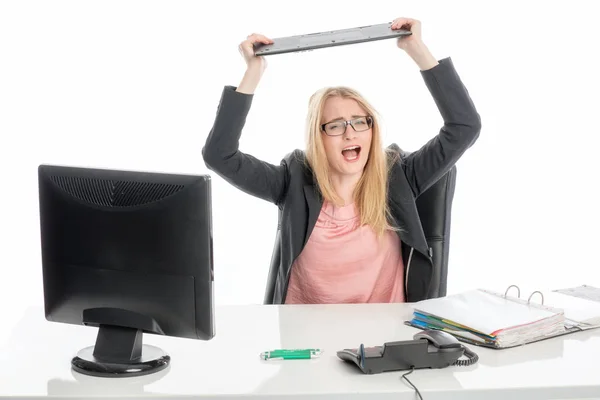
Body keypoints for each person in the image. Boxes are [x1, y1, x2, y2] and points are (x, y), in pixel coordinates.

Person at [202, 17, 481, 305]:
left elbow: (464, 127)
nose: (350, 133)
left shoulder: (399, 176)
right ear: (317, 138)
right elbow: (219, 155)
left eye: (360, 122)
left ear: (372, 130)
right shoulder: (292, 180)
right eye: (335, 125)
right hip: (305, 342)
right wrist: (253, 71)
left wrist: (417, 50)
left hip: (380, 339)